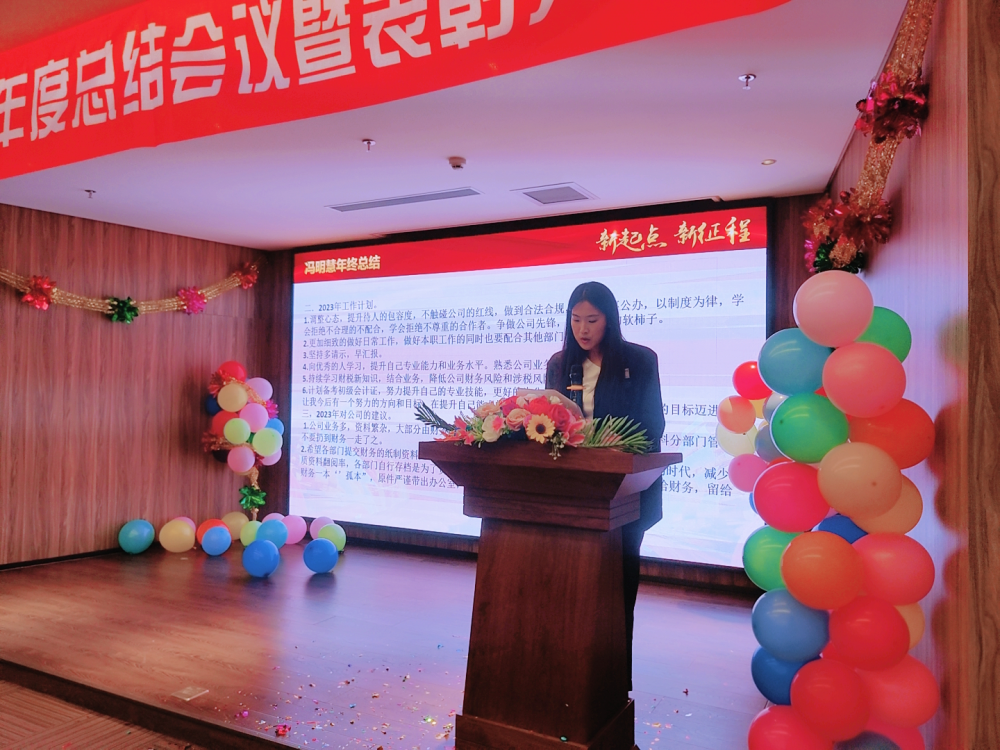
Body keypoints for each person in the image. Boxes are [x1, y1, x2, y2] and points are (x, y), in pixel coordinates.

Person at [545, 281, 665, 688]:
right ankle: (568, 670)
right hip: (573, 492)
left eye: (592, 320)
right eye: (576, 320)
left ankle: (614, 678)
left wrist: (615, 440)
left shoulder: (639, 360)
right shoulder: (559, 364)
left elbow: (653, 425)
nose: (583, 329)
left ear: (609, 320)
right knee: (569, 584)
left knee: (617, 584)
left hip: (623, 493)